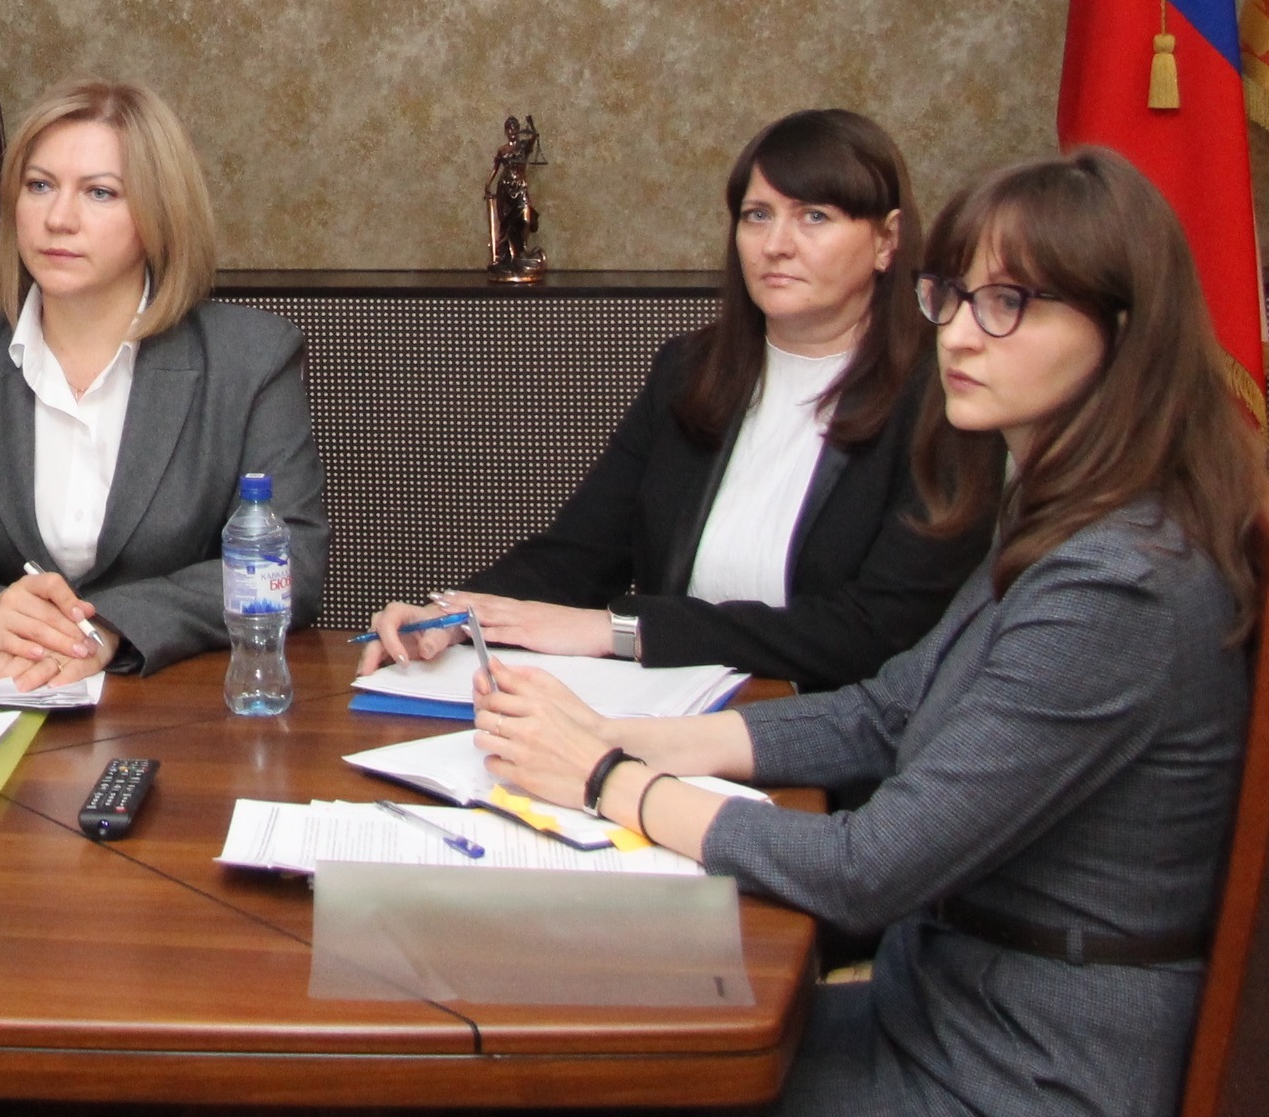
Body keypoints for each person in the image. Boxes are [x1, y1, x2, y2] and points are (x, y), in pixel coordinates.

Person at [426, 146, 1268, 1117]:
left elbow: (869, 870)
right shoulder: (1068, 505)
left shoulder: (1121, 582)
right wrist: (629, 735)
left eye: (1009, 303)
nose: (958, 334)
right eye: (953, 293)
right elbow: (885, 710)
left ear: (1124, 329)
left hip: (1022, 1101)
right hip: (943, 1003)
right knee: (555, 1091)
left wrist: (604, 778)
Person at [368, 109, 986, 691]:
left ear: (886, 241)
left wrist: (626, 631)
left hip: (839, 735)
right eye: (757, 215)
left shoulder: (944, 397)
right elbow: (581, 554)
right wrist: (451, 616)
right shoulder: (691, 370)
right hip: (668, 708)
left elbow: (875, 630)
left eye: (814, 217)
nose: (776, 244)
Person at [0, 79, 326, 682]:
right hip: (9, 687)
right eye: (39, 186)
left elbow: (293, 563)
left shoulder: (249, 359)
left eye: (100, 192)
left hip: (180, 694)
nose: (58, 219)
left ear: (160, 216)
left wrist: (111, 627)